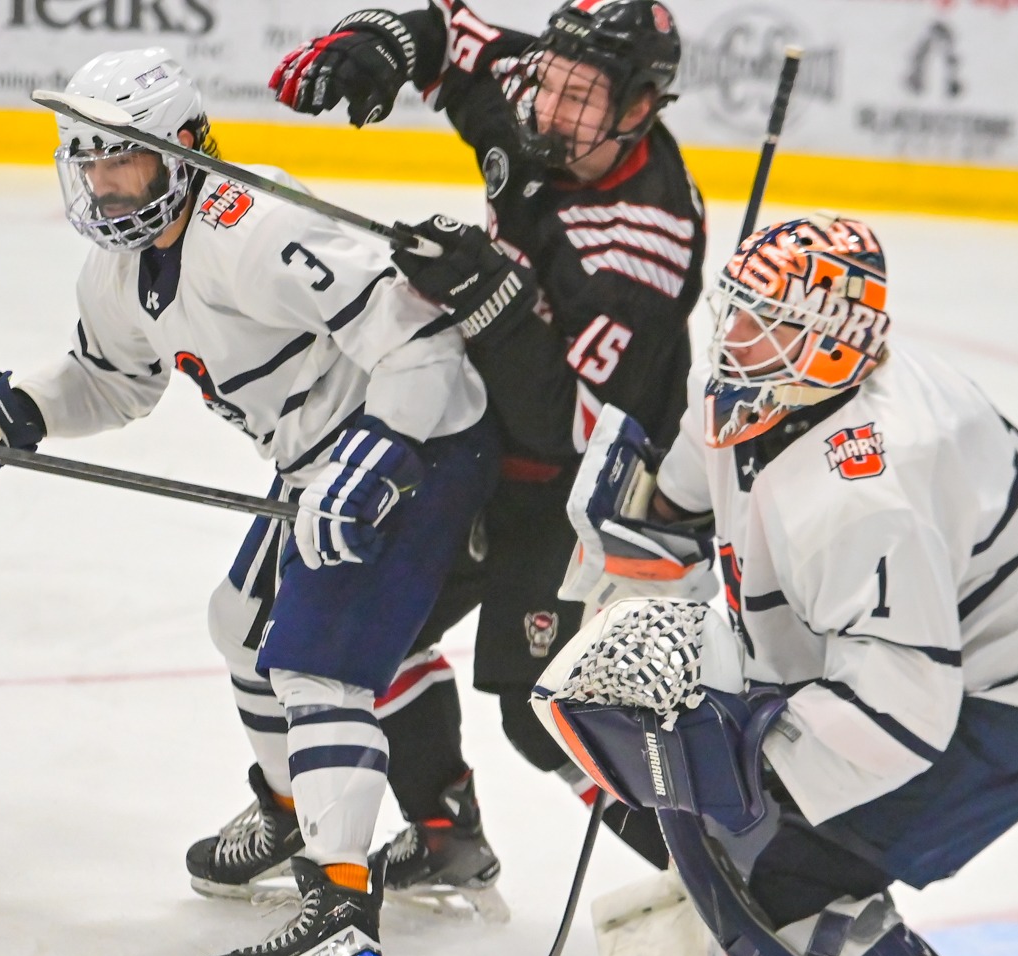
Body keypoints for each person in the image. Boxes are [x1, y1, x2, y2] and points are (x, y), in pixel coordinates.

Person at [0, 49, 495, 956]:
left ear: (183, 152)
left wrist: (380, 454)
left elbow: (421, 345)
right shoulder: (116, 274)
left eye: (119, 163)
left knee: (313, 666)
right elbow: (108, 385)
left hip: (426, 439)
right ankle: (310, 815)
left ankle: (340, 928)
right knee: (242, 623)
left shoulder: (258, 227)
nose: (99, 183)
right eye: (85, 162)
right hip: (326, 459)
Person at [546, 213, 1018, 956]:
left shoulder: (865, 493)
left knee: (788, 864)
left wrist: (738, 752)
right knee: (715, 813)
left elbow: (901, 714)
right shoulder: (768, 379)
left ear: (827, 346)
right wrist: (655, 521)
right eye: (732, 308)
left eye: (760, 322)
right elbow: (693, 470)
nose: (730, 337)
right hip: (955, 633)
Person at [257, 0, 708, 907]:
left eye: (585, 96)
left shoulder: (642, 243)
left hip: (584, 488)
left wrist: (491, 303)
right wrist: (370, 46)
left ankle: (727, 877)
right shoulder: (537, 98)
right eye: (554, 82)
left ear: (643, 105)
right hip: (480, 436)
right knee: (367, 634)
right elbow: (444, 30)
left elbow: (573, 430)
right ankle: (444, 834)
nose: (550, 111)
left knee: (548, 716)